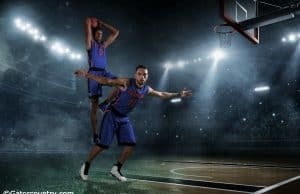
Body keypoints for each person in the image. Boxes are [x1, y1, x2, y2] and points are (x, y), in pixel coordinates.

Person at [75, 65, 192, 182]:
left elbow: (161, 94)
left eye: (144, 74)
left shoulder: (146, 89)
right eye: (140, 74)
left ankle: (116, 169)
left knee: (131, 144)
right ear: (135, 75)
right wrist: (87, 75)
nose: (142, 76)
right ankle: (86, 165)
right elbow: (107, 80)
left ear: (147, 76)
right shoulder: (126, 82)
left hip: (124, 118)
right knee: (103, 145)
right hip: (112, 114)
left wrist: (178, 94)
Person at [85, 17, 119, 143]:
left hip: (104, 72)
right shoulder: (90, 44)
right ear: (94, 35)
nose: (100, 35)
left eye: (101, 34)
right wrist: (89, 24)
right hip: (93, 73)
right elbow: (88, 31)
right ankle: (95, 134)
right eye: (98, 33)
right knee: (94, 106)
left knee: (121, 84)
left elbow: (116, 32)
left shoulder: (103, 45)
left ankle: (104, 104)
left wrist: (103, 23)